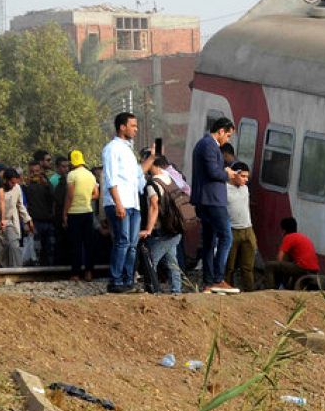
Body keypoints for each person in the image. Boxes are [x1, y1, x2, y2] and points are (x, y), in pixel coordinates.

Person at [102, 112, 151, 293]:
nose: (136, 129)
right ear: (122, 127)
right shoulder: (112, 149)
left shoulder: (129, 151)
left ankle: (128, 280)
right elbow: (110, 178)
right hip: (119, 202)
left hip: (133, 203)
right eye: (133, 126)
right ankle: (115, 281)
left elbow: (138, 175)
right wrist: (118, 203)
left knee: (132, 244)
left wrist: (152, 157)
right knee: (122, 242)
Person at [191, 116, 238, 294]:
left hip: (206, 199)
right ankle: (218, 278)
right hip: (212, 200)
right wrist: (228, 174)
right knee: (226, 237)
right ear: (220, 131)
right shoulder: (209, 145)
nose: (228, 139)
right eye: (228, 135)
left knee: (210, 241)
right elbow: (212, 172)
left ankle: (209, 282)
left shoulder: (205, 145)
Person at [138, 155, 183, 294]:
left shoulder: (153, 184)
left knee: (151, 260)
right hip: (176, 227)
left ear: (152, 164)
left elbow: (154, 206)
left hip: (163, 230)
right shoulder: (169, 178)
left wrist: (148, 229)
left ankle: (152, 291)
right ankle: (176, 290)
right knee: (172, 261)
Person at [63, 150, 98, 281]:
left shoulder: (71, 175)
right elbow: (96, 194)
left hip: (74, 213)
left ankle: (75, 273)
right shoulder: (90, 175)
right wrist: (85, 197)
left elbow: (70, 196)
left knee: (75, 244)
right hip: (88, 212)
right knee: (88, 244)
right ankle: (89, 272)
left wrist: (65, 213)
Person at [223, 162, 254, 292]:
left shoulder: (245, 188)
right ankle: (227, 288)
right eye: (243, 176)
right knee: (229, 266)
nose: (246, 180)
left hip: (248, 229)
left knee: (247, 266)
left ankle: (249, 291)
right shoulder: (223, 189)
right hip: (232, 230)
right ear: (234, 175)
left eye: (247, 177)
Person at [266, 217, 320, 290]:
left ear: (284, 230)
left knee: (270, 265)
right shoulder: (302, 237)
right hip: (314, 269)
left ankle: (270, 289)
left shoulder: (288, 237)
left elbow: (279, 258)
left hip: (302, 268)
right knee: (287, 265)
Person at [0, 168, 32, 268]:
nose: (13, 185)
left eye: (15, 183)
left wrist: (28, 220)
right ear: (5, 180)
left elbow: (21, 206)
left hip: (10, 221)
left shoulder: (17, 188)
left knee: (14, 245)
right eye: (12, 183)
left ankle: (17, 270)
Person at [22, 161, 55, 266]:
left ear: (41, 171)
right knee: (36, 249)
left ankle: (49, 269)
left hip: (48, 220)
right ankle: (37, 268)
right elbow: (23, 204)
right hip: (34, 221)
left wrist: (47, 185)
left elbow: (54, 198)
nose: (34, 174)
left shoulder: (46, 183)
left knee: (50, 248)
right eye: (32, 172)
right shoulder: (26, 186)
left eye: (37, 171)